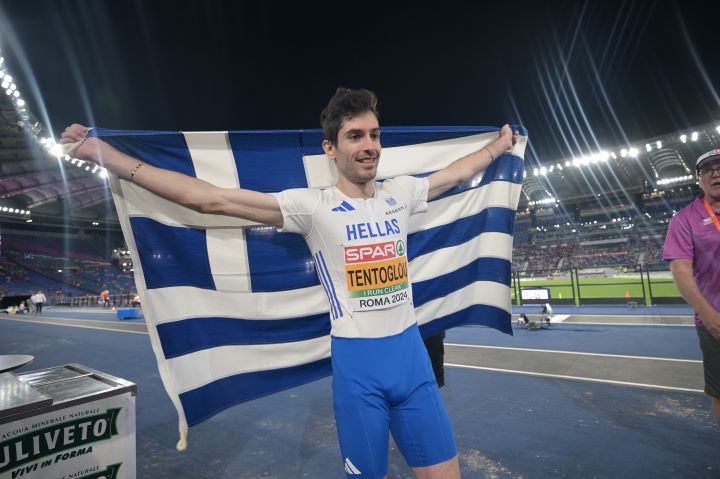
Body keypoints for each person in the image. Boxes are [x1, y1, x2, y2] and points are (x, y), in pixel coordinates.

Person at [62, 87, 518, 478]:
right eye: (355, 136)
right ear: (330, 149)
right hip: (359, 371)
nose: (369, 146)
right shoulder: (312, 207)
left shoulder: (401, 193)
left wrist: (501, 145)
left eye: (374, 135)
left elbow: (458, 173)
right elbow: (209, 200)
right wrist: (105, 155)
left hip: (413, 363)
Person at [664, 149, 720, 428]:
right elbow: (681, 271)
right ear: (699, 179)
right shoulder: (684, 219)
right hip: (716, 321)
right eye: (708, 170)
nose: (716, 174)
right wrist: (708, 315)